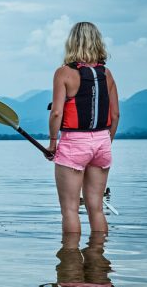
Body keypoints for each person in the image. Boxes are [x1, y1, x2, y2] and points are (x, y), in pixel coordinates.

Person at [47, 22, 120, 234]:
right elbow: (115, 115)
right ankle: (98, 259)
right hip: (102, 142)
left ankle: (70, 264)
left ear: (72, 43)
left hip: (74, 143)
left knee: (70, 210)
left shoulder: (64, 73)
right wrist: (106, 142)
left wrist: (53, 144)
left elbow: (57, 113)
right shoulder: (107, 74)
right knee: (96, 209)